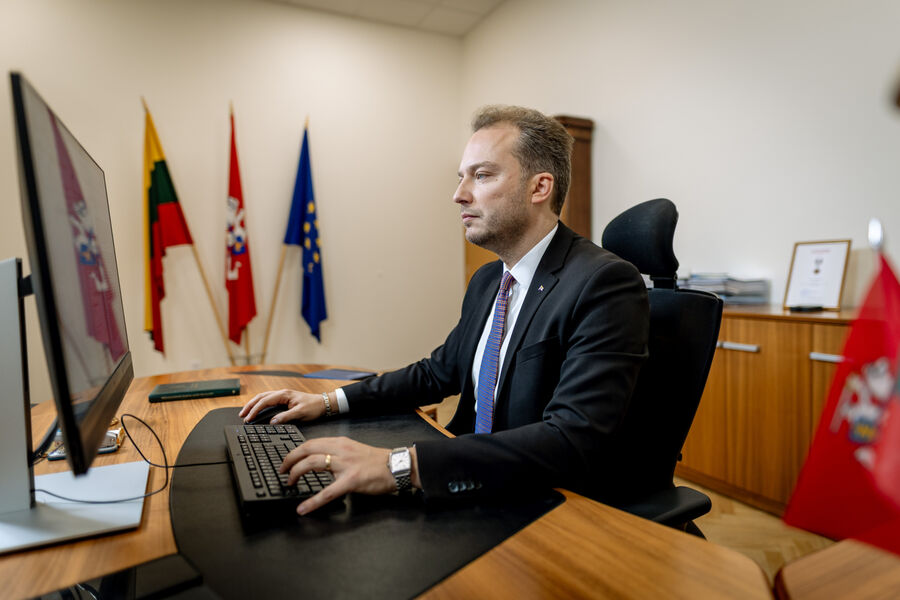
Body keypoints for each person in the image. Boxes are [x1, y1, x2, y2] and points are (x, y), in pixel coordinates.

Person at [240, 105, 649, 515]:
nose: (459, 194)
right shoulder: (489, 279)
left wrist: (400, 465)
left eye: (482, 175)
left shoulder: (603, 283)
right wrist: (329, 402)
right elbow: (438, 372)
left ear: (539, 187)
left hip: (547, 502)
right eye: (461, 177)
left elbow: (571, 439)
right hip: (470, 476)